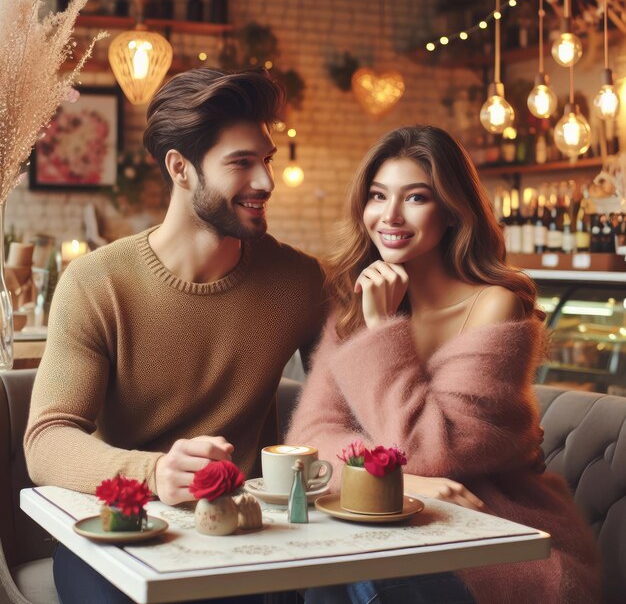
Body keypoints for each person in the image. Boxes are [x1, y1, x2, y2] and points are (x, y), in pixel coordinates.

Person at [24, 68, 327, 604]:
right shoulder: (97, 283)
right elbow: (47, 440)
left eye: (267, 160)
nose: (265, 182)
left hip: (244, 534)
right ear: (180, 168)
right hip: (121, 526)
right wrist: (155, 471)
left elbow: (343, 409)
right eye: (241, 163)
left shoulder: (300, 281)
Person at [286, 125, 600, 604]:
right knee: (320, 573)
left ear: (452, 211)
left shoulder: (493, 305)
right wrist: (406, 481)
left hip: (491, 529)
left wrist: (383, 327)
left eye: (415, 198)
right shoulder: (358, 303)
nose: (389, 215)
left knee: (359, 580)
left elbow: (433, 449)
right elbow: (309, 440)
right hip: (384, 517)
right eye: (377, 195)